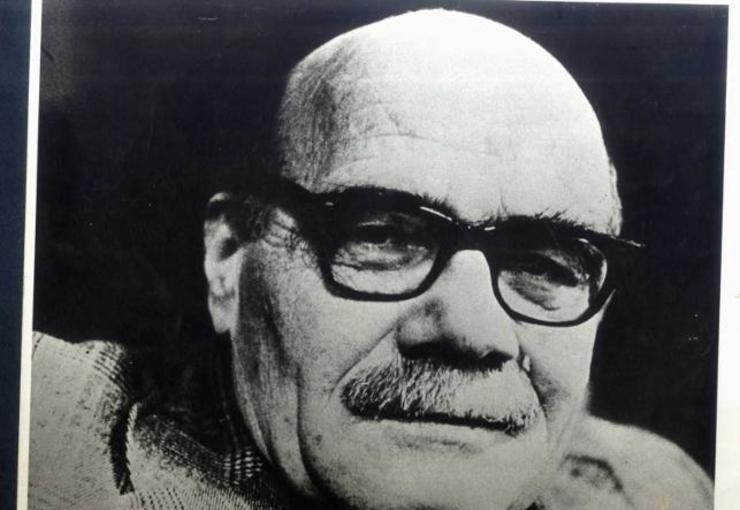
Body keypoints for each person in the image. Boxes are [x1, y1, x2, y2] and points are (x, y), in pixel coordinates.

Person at [28, 9, 713, 510]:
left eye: (546, 264)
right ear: (228, 256)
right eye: (383, 236)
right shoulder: (48, 435)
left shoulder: (652, 490)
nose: (472, 331)